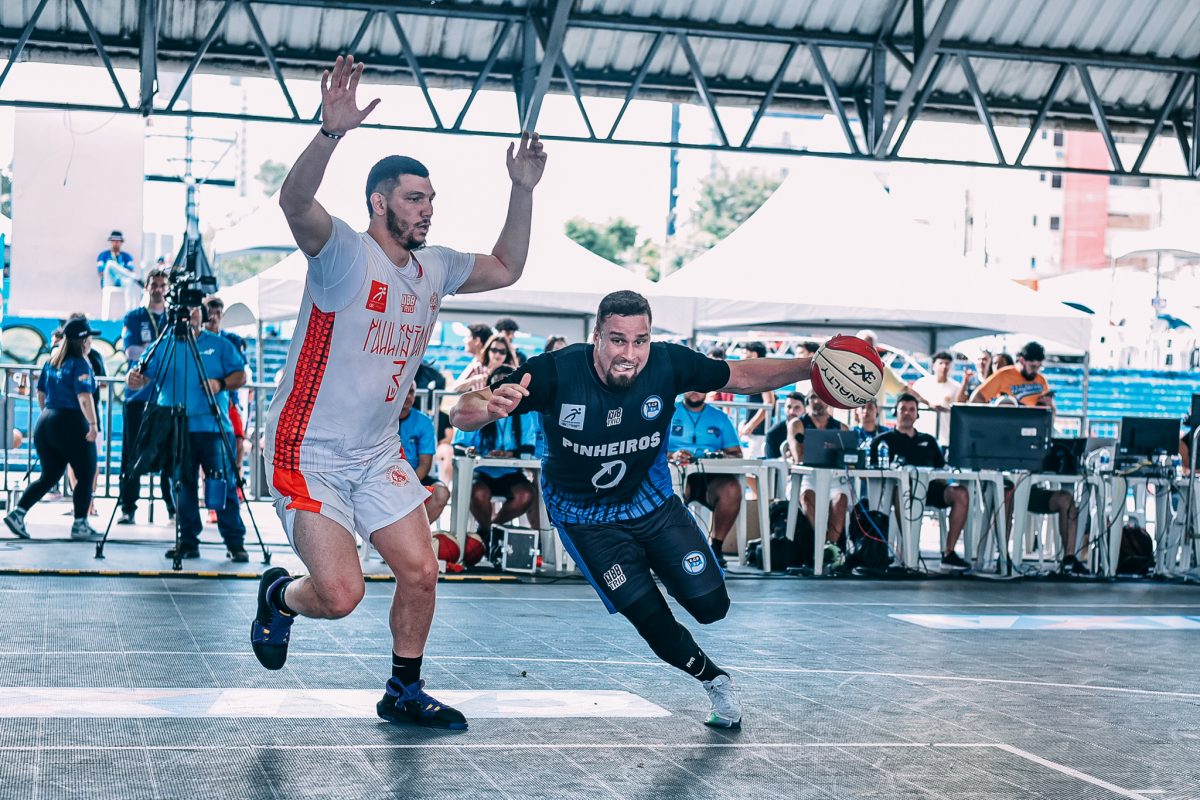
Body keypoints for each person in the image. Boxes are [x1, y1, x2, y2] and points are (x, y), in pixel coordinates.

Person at [249, 54, 547, 732]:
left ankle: (403, 690)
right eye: (415, 198)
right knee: (340, 595)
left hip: (376, 450)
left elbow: (507, 266)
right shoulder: (343, 253)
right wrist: (330, 132)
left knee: (420, 571)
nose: (427, 209)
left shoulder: (433, 267)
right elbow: (294, 203)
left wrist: (522, 188)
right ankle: (279, 598)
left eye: (431, 199)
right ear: (380, 203)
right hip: (308, 449)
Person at [451, 290, 828, 729]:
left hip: (652, 505)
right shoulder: (554, 372)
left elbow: (741, 376)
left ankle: (672, 573)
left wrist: (812, 366)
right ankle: (714, 678)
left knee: (712, 607)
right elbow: (462, 411)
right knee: (651, 620)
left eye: (640, 340)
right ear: (596, 337)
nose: (629, 354)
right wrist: (486, 408)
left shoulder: (668, 363)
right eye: (617, 340)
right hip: (585, 520)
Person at [126, 306, 249, 561]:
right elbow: (141, 374)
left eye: (193, 311)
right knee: (181, 486)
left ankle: (235, 543)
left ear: (202, 315)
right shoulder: (163, 344)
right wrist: (134, 378)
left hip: (213, 426)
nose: (188, 316)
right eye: (184, 311)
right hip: (175, 427)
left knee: (222, 484)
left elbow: (241, 376)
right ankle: (187, 541)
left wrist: (220, 384)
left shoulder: (219, 344)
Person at [4, 318, 103, 541]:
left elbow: (41, 394)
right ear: (83, 341)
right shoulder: (80, 364)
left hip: (46, 421)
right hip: (71, 420)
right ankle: (80, 524)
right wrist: (93, 424)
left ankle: (18, 513)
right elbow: (84, 396)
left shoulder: (51, 362)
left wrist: (51, 418)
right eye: (89, 338)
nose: (91, 342)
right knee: (86, 472)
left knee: (49, 475)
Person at [869, 393, 972, 571]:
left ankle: (949, 553)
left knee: (961, 493)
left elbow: (943, 469)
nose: (907, 413)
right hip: (899, 491)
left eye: (912, 410)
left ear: (917, 414)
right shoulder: (882, 441)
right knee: (902, 492)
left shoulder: (928, 440)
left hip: (930, 489)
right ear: (895, 412)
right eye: (903, 409)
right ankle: (910, 551)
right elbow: (872, 471)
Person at [453, 364, 537, 555]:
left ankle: (488, 531)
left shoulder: (524, 413)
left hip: (510, 472)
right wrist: (470, 450)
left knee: (526, 495)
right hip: (482, 472)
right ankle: (492, 534)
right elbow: (459, 445)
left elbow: (528, 447)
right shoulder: (478, 410)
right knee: (478, 493)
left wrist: (510, 454)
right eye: (498, 384)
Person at [118, 268, 174, 525]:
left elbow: (179, 351)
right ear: (147, 286)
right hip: (137, 396)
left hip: (167, 397)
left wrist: (150, 354)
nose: (158, 289)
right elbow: (131, 351)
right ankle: (128, 507)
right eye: (154, 284)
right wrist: (161, 353)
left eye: (163, 285)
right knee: (132, 453)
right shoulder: (134, 317)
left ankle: (172, 508)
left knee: (171, 453)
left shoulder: (174, 319)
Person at [668, 389, 743, 568]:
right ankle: (674, 548)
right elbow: (651, 447)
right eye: (691, 386)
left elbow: (736, 453)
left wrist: (721, 455)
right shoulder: (668, 412)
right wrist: (672, 455)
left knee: (731, 490)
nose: (695, 391)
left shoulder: (720, 417)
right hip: (675, 472)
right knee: (675, 489)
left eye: (701, 386)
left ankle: (716, 548)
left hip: (711, 478)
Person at [786, 393, 849, 554]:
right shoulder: (797, 424)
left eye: (820, 397)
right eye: (813, 397)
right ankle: (823, 546)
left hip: (834, 478)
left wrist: (815, 448)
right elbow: (799, 457)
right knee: (807, 495)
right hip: (807, 476)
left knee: (841, 499)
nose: (816, 401)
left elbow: (848, 459)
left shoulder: (842, 427)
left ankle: (830, 549)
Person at [398, 385, 449, 525]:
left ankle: (413, 533)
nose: (408, 396)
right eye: (404, 390)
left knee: (441, 493)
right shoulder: (381, 419)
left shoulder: (424, 422)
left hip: (415, 476)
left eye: (411, 391)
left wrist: (406, 485)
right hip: (382, 479)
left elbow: (425, 464)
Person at [969, 341, 1051, 408]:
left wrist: (1048, 405)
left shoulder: (1041, 380)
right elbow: (976, 399)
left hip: (1032, 421)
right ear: (1022, 361)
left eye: (1039, 367)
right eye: (1032, 366)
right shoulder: (1003, 375)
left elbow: (1050, 410)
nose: (1035, 371)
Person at [911, 351, 961, 445]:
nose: (944, 366)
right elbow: (911, 398)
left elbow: (959, 408)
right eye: (941, 363)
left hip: (944, 437)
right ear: (934, 365)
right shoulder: (921, 383)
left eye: (947, 363)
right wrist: (928, 404)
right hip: (921, 433)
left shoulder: (956, 387)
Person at [736, 342, 775, 457]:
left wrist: (751, 425)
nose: (741, 357)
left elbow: (769, 402)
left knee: (753, 465)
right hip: (754, 432)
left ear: (754, 355)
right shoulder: (755, 375)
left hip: (759, 434)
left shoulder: (762, 375)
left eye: (744, 353)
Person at [452, 323, 492, 391]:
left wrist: (473, 380)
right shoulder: (478, 362)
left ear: (477, 341)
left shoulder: (478, 365)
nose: (464, 340)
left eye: (468, 337)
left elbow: (455, 389)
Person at [765, 391, 805, 459]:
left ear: (805, 409)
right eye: (789, 407)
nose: (792, 411)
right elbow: (771, 462)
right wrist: (786, 458)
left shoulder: (812, 429)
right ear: (784, 408)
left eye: (797, 407)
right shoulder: (773, 434)